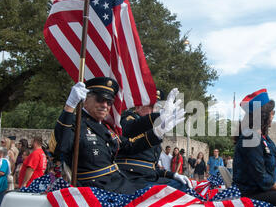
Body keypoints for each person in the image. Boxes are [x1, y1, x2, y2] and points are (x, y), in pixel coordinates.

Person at [52, 77, 184, 195]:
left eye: (109, 102)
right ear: (85, 100)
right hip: (98, 190)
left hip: (116, 184)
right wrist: (69, 107)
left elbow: (129, 146)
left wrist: (158, 132)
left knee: (178, 191)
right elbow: (62, 145)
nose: (105, 105)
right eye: (100, 99)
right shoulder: (76, 123)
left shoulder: (105, 129)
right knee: (166, 196)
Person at [116, 89, 191, 192]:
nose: (154, 110)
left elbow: (152, 167)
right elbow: (132, 128)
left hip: (149, 176)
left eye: (157, 107)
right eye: (151, 107)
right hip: (131, 177)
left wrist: (173, 175)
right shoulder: (128, 118)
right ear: (138, 106)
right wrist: (159, 117)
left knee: (184, 185)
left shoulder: (153, 128)